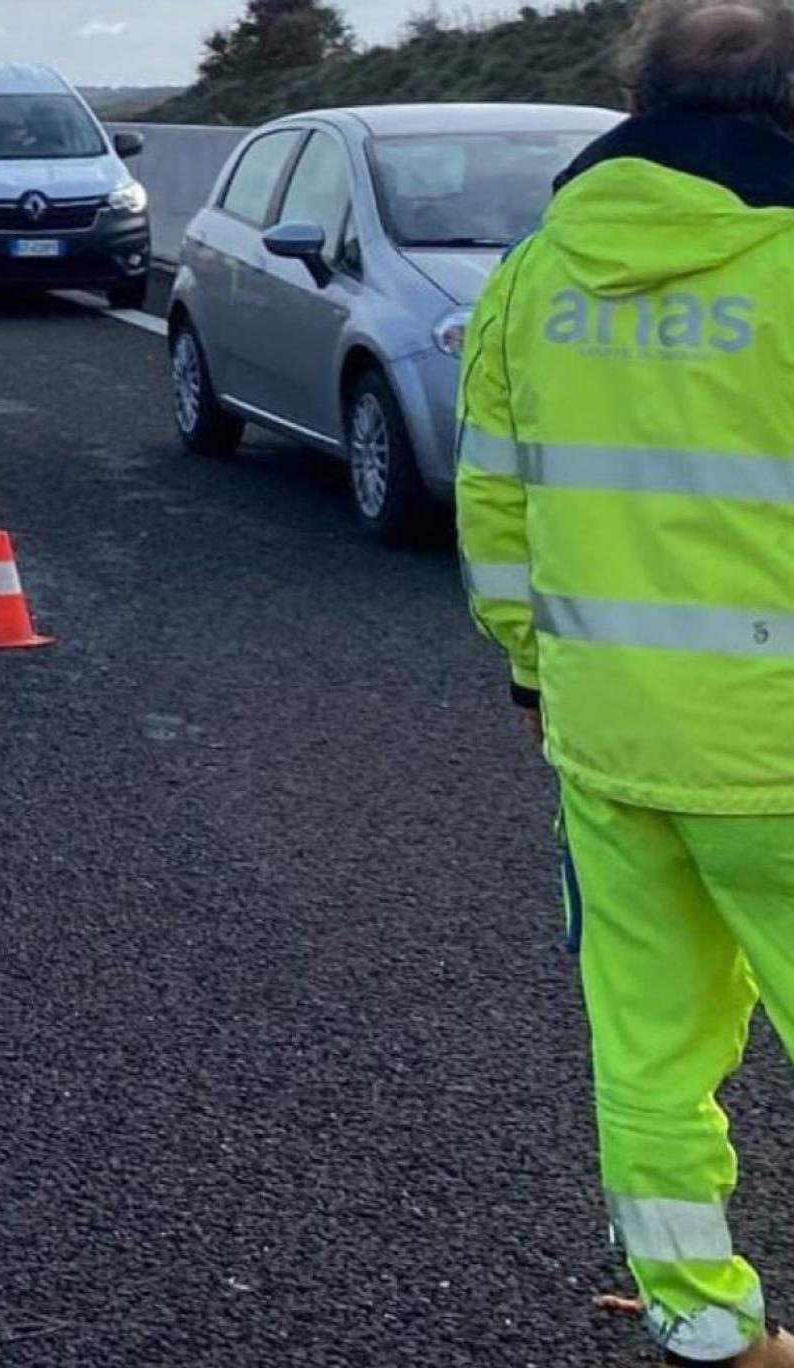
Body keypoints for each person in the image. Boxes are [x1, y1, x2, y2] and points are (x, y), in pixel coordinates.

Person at [456, 1, 794, 1364]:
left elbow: (495, 507)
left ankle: (703, 1321)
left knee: (648, 1050)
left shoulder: (539, 273)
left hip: (608, 739)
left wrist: (538, 676)